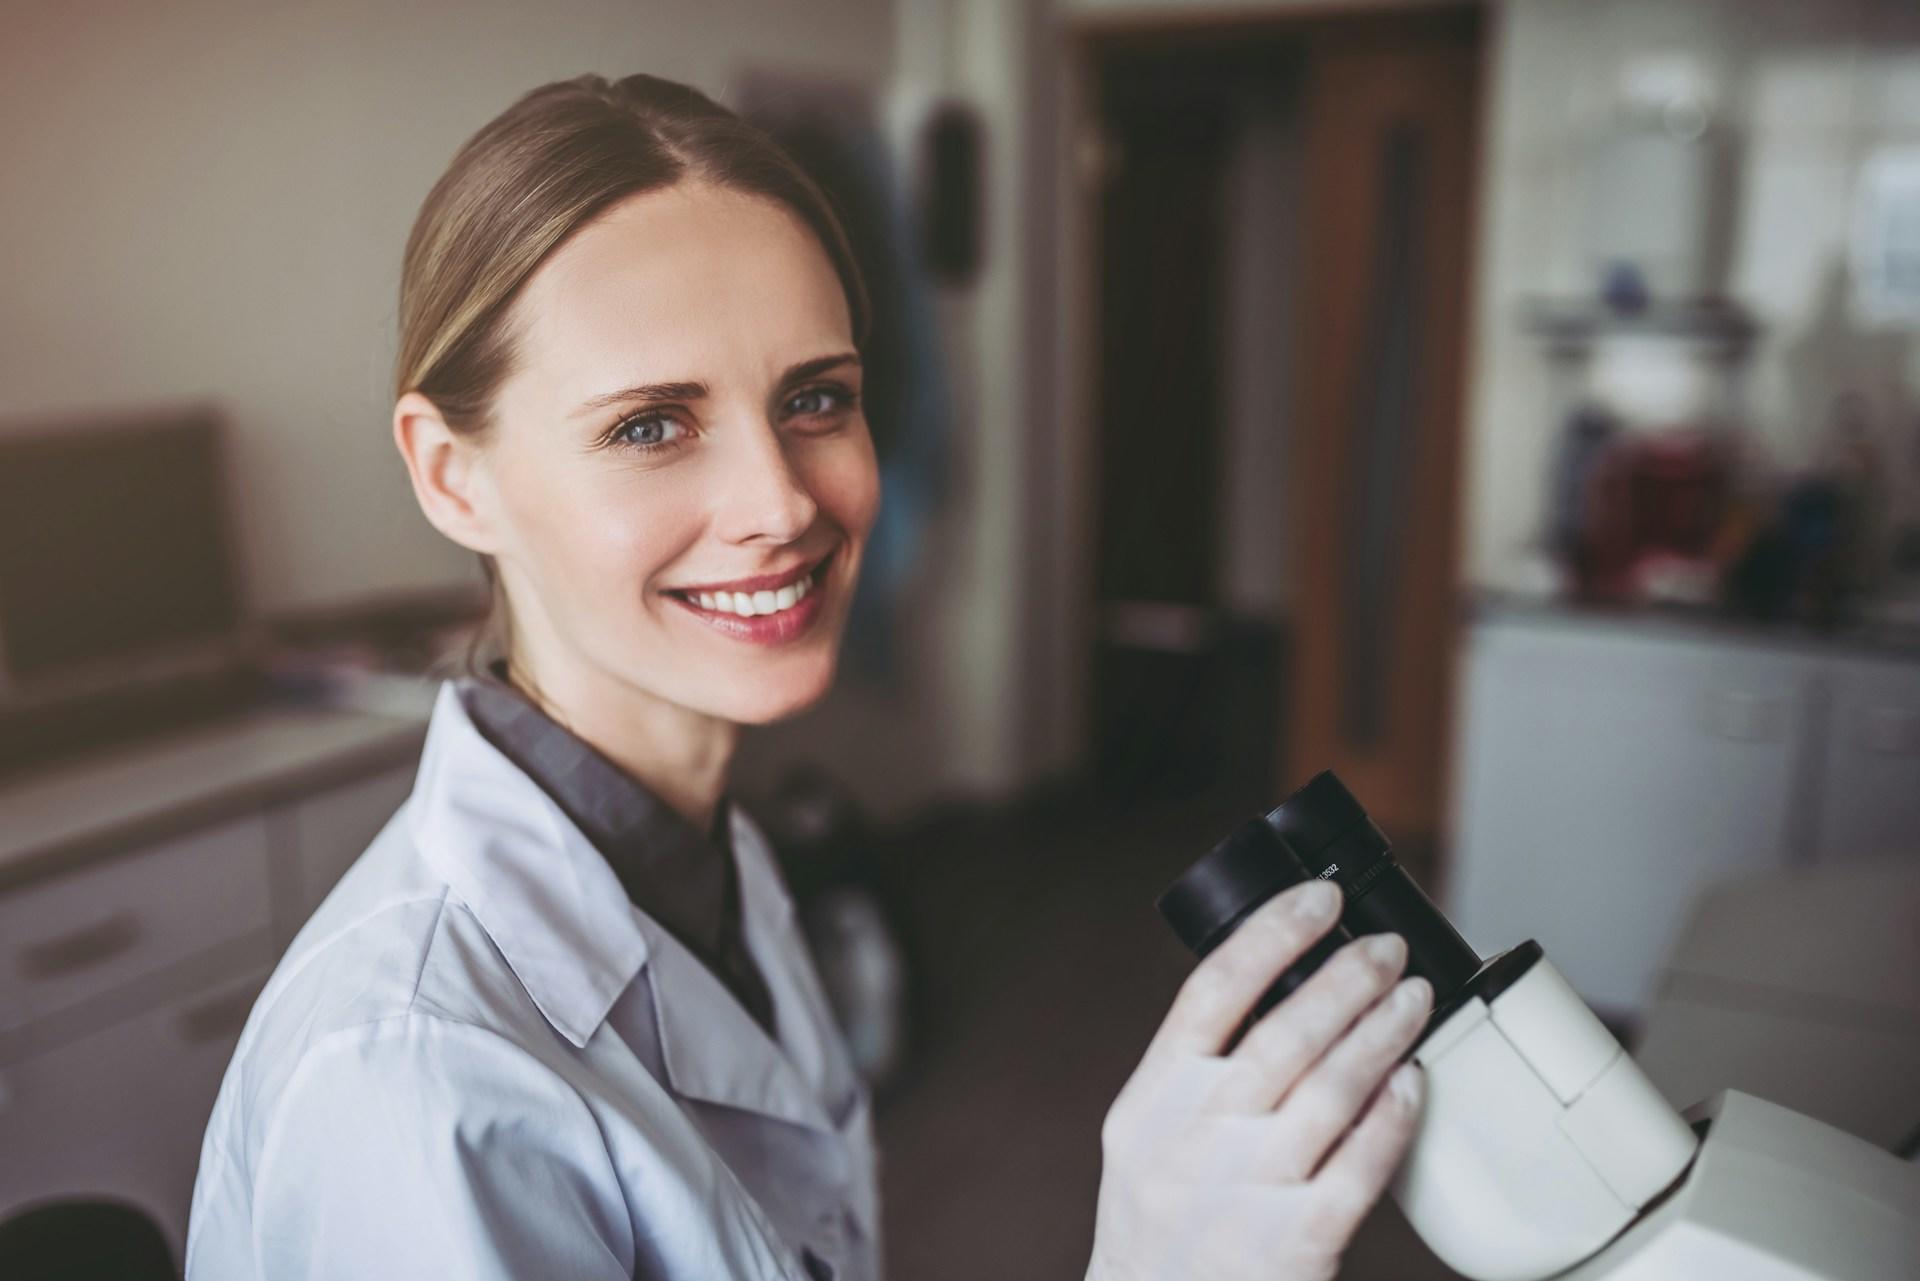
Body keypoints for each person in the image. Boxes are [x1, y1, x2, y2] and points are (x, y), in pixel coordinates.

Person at [185, 73, 1431, 1281]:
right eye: (649, 426)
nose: (782, 502)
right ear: (455, 475)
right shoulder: (406, 1082)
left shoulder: (714, 861)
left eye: (816, 398)